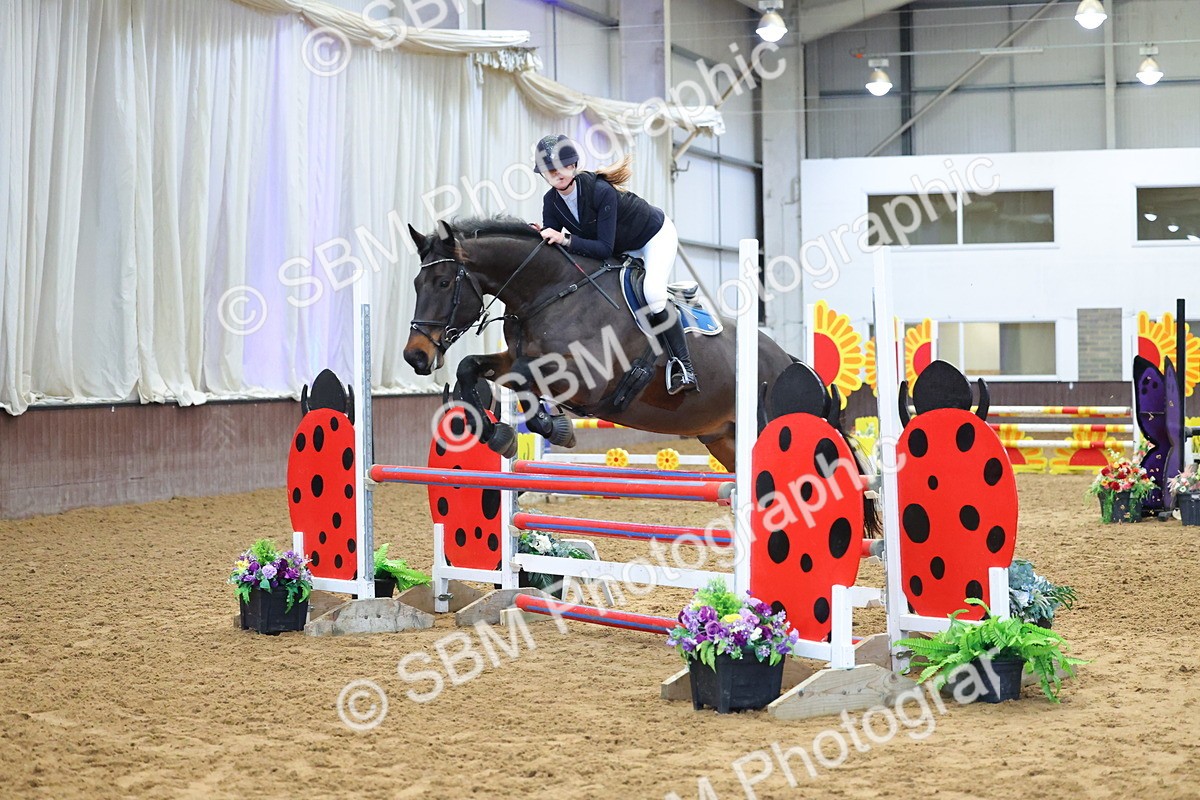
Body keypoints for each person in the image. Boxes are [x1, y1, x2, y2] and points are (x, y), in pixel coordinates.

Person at [532, 134, 698, 395]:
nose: (555, 173)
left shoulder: (600, 191)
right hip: (620, 247)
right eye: (548, 169)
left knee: (653, 294)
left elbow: (603, 248)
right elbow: (554, 243)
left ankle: (684, 366)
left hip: (653, 236)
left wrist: (563, 238)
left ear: (573, 165)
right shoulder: (550, 202)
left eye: (561, 166)